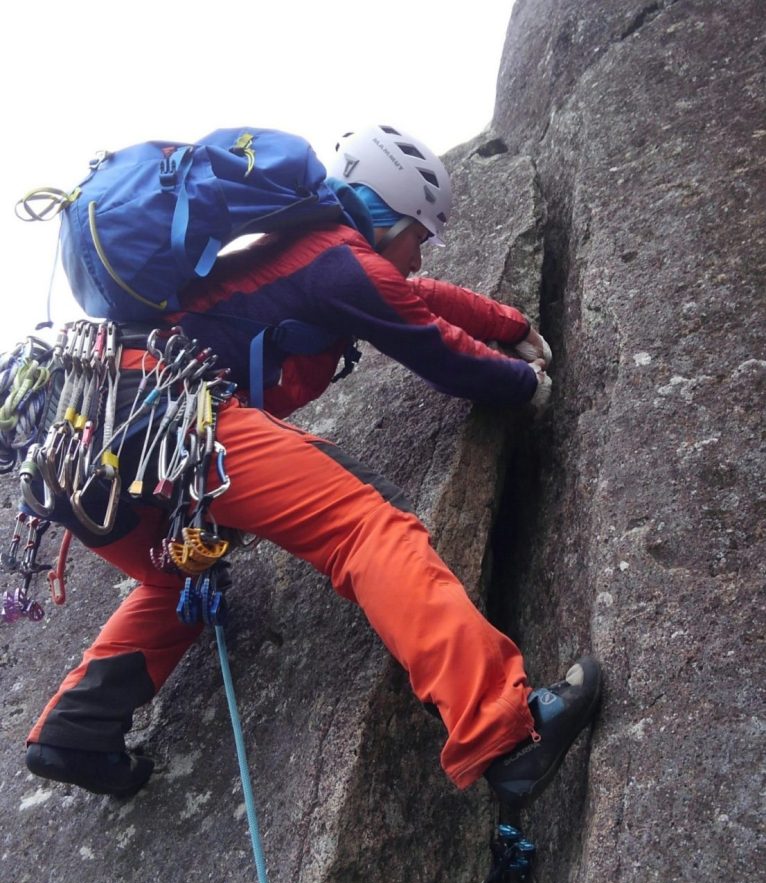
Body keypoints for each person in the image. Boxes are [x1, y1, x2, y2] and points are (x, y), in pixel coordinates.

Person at [22, 124, 602, 806]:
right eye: (420, 235)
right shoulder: (337, 260)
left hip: (82, 441)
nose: (420, 254)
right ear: (391, 215)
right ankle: (505, 733)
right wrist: (526, 384)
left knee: (175, 577)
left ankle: (78, 730)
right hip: (168, 412)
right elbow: (437, 349)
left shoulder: (312, 256)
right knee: (364, 526)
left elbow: (415, 298)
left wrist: (508, 324)